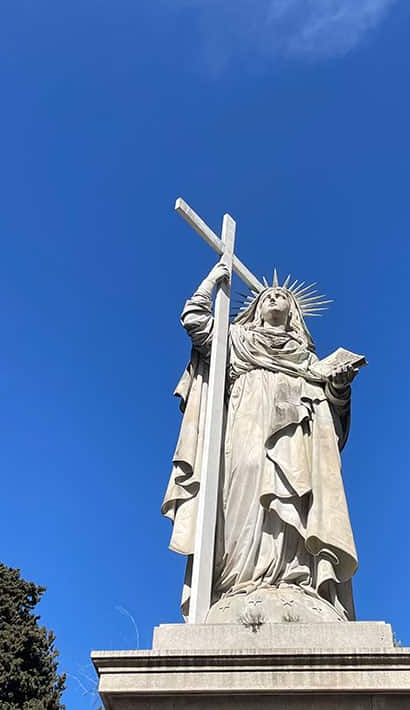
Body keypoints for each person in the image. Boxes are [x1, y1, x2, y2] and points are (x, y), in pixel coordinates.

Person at [161, 260, 360, 622]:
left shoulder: (308, 360)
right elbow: (194, 320)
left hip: (296, 432)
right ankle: (238, 582)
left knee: (297, 497)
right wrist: (213, 279)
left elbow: (335, 411)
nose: (274, 298)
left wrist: (339, 385)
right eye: (267, 295)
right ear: (256, 308)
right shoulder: (237, 339)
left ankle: (295, 580)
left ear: (293, 312)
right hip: (245, 425)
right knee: (242, 492)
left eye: (281, 295)